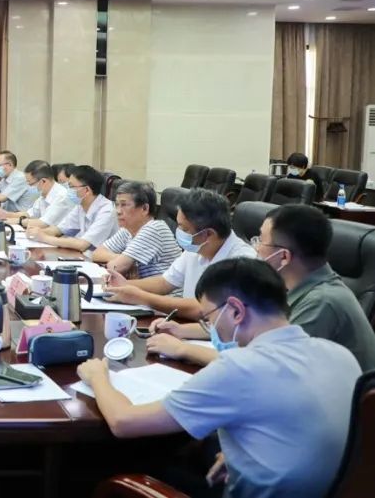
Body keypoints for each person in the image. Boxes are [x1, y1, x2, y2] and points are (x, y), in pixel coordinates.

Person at [76, 258, 361, 498]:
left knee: (104, 466)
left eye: (208, 318)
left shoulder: (239, 367)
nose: (210, 328)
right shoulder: (341, 355)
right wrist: (243, 455)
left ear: (236, 310)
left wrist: (98, 376)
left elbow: (124, 423)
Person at [148, 204, 375, 371]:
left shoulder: (322, 302)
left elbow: (263, 365)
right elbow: (248, 327)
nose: (254, 248)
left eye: (260, 241)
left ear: (284, 256)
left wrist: (183, 349)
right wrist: (182, 331)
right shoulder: (289, 285)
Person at [105, 188, 256, 319]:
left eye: (184, 229)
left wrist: (141, 297)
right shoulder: (197, 247)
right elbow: (165, 283)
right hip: (189, 326)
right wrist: (124, 285)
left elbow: (205, 308)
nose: (179, 232)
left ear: (208, 234)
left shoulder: (242, 262)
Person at [92, 180, 181, 278]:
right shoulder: (127, 230)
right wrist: (121, 258)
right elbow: (96, 254)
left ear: (144, 209)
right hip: (140, 286)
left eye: (124, 205)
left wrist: (121, 261)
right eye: (116, 205)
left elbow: (115, 267)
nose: (118, 211)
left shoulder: (154, 229)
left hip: (162, 288)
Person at [33, 164, 116, 251]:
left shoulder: (107, 210)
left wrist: (44, 238)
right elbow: (58, 230)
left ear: (86, 190)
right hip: (84, 255)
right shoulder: (80, 206)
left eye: (71, 187)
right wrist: (37, 232)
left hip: (101, 258)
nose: (68, 191)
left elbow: (82, 244)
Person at [0, 163, 72, 230]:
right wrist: (6, 214)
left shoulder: (61, 196)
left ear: (43, 181)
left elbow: (43, 223)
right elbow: (30, 214)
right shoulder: (43, 195)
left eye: (30, 184)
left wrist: (14, 221)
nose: (28, 187)